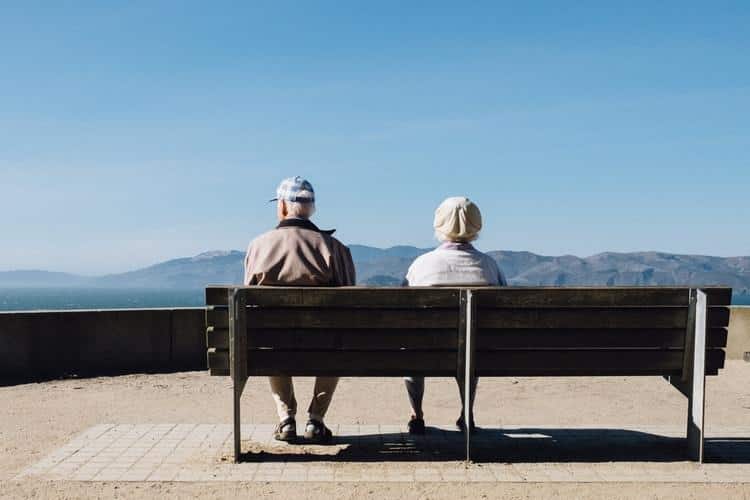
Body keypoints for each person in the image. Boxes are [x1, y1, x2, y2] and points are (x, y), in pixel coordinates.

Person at [244, 176, 356, 443]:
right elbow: (352, 301)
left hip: (274, 345)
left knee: (270, 338)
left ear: (282, 206)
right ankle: (316, 420)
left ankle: (286, 419)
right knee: (335, 343)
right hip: (324, 345)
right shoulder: (334, 249)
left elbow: (247, 302)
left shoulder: (258, 246)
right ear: (311, 208)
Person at [403, 196, 507, 435]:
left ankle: (417, 415)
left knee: (412, 350)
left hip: (426, 351)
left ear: (438, 225)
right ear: (477, 225)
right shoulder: (489, 266)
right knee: (470, 347)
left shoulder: (422, 265)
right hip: (477, 352)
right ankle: (466, 413)